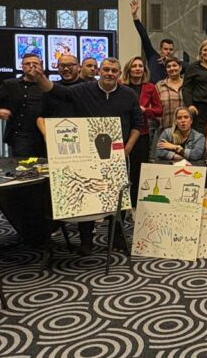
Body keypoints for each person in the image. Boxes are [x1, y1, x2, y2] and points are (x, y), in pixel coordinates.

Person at [35, 58, 143, 254]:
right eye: (106, 69)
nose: (110, 73)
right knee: (88, 195)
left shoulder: (129, 94)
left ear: (119, 74)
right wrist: (40, 76)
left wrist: (127, 148)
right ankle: (86, 240)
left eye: (114, 71)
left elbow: (137, 124)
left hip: (118, 155)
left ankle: (117, 237)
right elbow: (54, 90)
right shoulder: (83, 90)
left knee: (118, 196)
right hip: (88, 155)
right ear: (99, 71)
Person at [0, 52, 46, 158]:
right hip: (20, 137)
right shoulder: (10, 85)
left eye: (35, 63)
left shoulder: (48, 86)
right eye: (27, 64)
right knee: (22, 166)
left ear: (41, 65)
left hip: (44, 135)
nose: (31, 66)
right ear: (22, 67)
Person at [123, 56, 163, 204]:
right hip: (123, 131)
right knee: (121, 168)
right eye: (134, 66)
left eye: (140, 66)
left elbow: (159, 110)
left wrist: (146, 110)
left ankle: (135, 202)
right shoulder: (121, 85)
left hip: (142, 133)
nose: (138, 69)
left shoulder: (150, 87)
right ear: (129, 69)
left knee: (139, 169)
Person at [129, 0, 182, 82]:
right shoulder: (153, 56)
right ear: (160, 50)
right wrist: (135, 16)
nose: (168, 51)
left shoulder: (175, 65)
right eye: (165, 49)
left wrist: (169, 62)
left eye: (170, 49)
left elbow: (188, 67)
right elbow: (144, 37)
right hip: (152, 88)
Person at [154, 57, 184, 156]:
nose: (172, 68)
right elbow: (154, 106)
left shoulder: (187, 84)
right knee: (166, 159)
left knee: (184, 159)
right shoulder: (159, 85)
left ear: (180, 67)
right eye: (169, 66)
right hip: (165, 130)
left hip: (185, 132)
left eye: (174, 65)